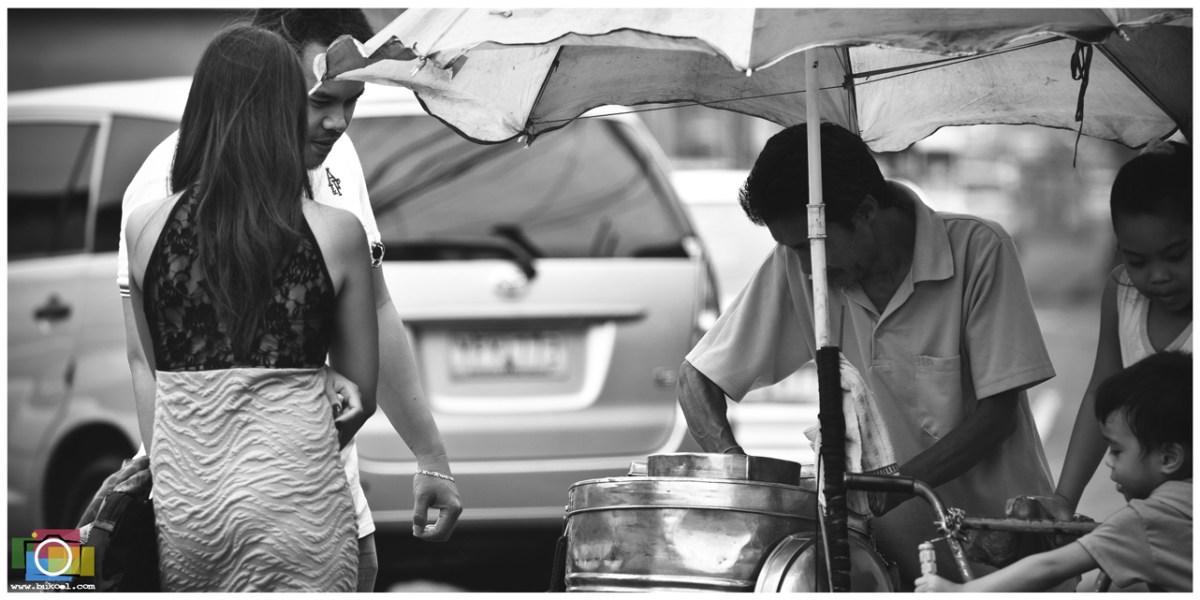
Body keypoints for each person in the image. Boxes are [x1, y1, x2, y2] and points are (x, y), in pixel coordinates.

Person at [115, 9, 462, 591]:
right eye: (321, 99)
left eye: (353, 102)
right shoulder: (156, 188)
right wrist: (287, 416)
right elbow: (150, 367)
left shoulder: (152, 224)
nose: (338, 123)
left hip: (277, 501)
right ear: (273, 81)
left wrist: (429, 454)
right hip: (270, 500)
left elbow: (375, 309)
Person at [677, 123, 1057, 588]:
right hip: (891, 571)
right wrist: (740, 475)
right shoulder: (803, 268)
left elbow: (997, 417)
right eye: (788, 248)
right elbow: (696, 380)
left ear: (866, 211)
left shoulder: (979, 251)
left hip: (1009, 561)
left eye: (807, 246)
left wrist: (882, 490)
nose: (801, 264)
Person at [124, 24, 371, 590]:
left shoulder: (144, 229)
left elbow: (154, 366)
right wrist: (288, 434)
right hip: (301, 506)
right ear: (284, 110)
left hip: (191, 509)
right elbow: (361, 398)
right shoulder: (336, 233)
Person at [917, 351, 1192, 592]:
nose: (1108, 461)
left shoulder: (1147, 520)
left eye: (1117, 450)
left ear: (1169, 458)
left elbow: (1049, 567)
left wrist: (959, 591)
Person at [1042, 141, 1191, 522]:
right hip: (1148, 521)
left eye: (1177, 256)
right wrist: (1064, 499)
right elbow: (1101, 389)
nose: (1158, 276)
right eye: (1137, 261)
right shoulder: (1122, 292)